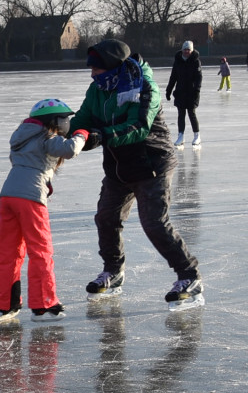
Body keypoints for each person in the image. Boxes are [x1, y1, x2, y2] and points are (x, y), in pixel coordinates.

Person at [71, 39, 204, 310]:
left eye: (96, 68)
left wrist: (102, 136)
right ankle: (113, 271)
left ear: (112, 66)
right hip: (119, 169)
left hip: (152, 164)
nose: (92, 74)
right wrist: (58, 131)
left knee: (154, 222)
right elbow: (82, 120)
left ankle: (190, 276)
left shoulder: (144, 86)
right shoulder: (98, 90)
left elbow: (139, 127)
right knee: (106, 217)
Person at [0, 98, 88, 323]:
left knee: (9, 252)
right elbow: (68, 149)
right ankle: (43, 305)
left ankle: (7, 305)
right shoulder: (47, 137)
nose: (67, 123)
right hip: (30, 198)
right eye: (65, 119)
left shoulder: (22, 135)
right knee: (40, 250)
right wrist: (82, 134)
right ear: (55, 121)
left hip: (8, 194)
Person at [165, 40, 202, 148]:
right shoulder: (177, 61)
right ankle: (181, 136)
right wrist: (169, 90)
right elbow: (173, 77)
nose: (186, 51)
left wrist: (197, 90)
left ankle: (197, 136)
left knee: (192, 113)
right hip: (180, 92)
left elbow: (199, 77)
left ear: (192, 50)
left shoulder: (196, 61)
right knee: (181, 114)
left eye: (188, 50)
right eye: (185, 49)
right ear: (182, 50)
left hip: (192, 92)